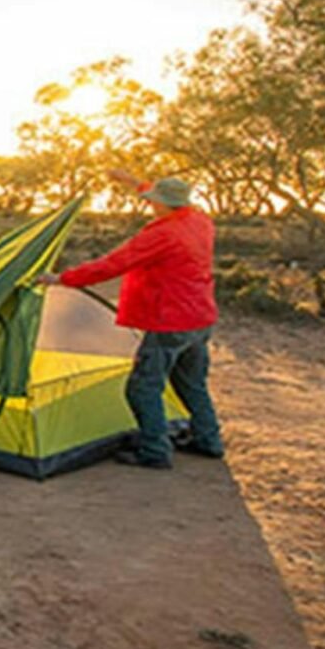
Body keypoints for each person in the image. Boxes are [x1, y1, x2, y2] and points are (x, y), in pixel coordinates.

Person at [37, 169, 224, 469]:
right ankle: (209, 440)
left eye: (154, 201)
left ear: (163, 204)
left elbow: (114, 264)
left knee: (142, 387)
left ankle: (154, 451)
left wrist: (63, 279)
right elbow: (165, 197)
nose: (150, 205)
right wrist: (132, 182)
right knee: (192, 383)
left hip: (170, 320)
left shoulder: (162, 234)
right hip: (200, 317)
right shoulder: (200, 222)